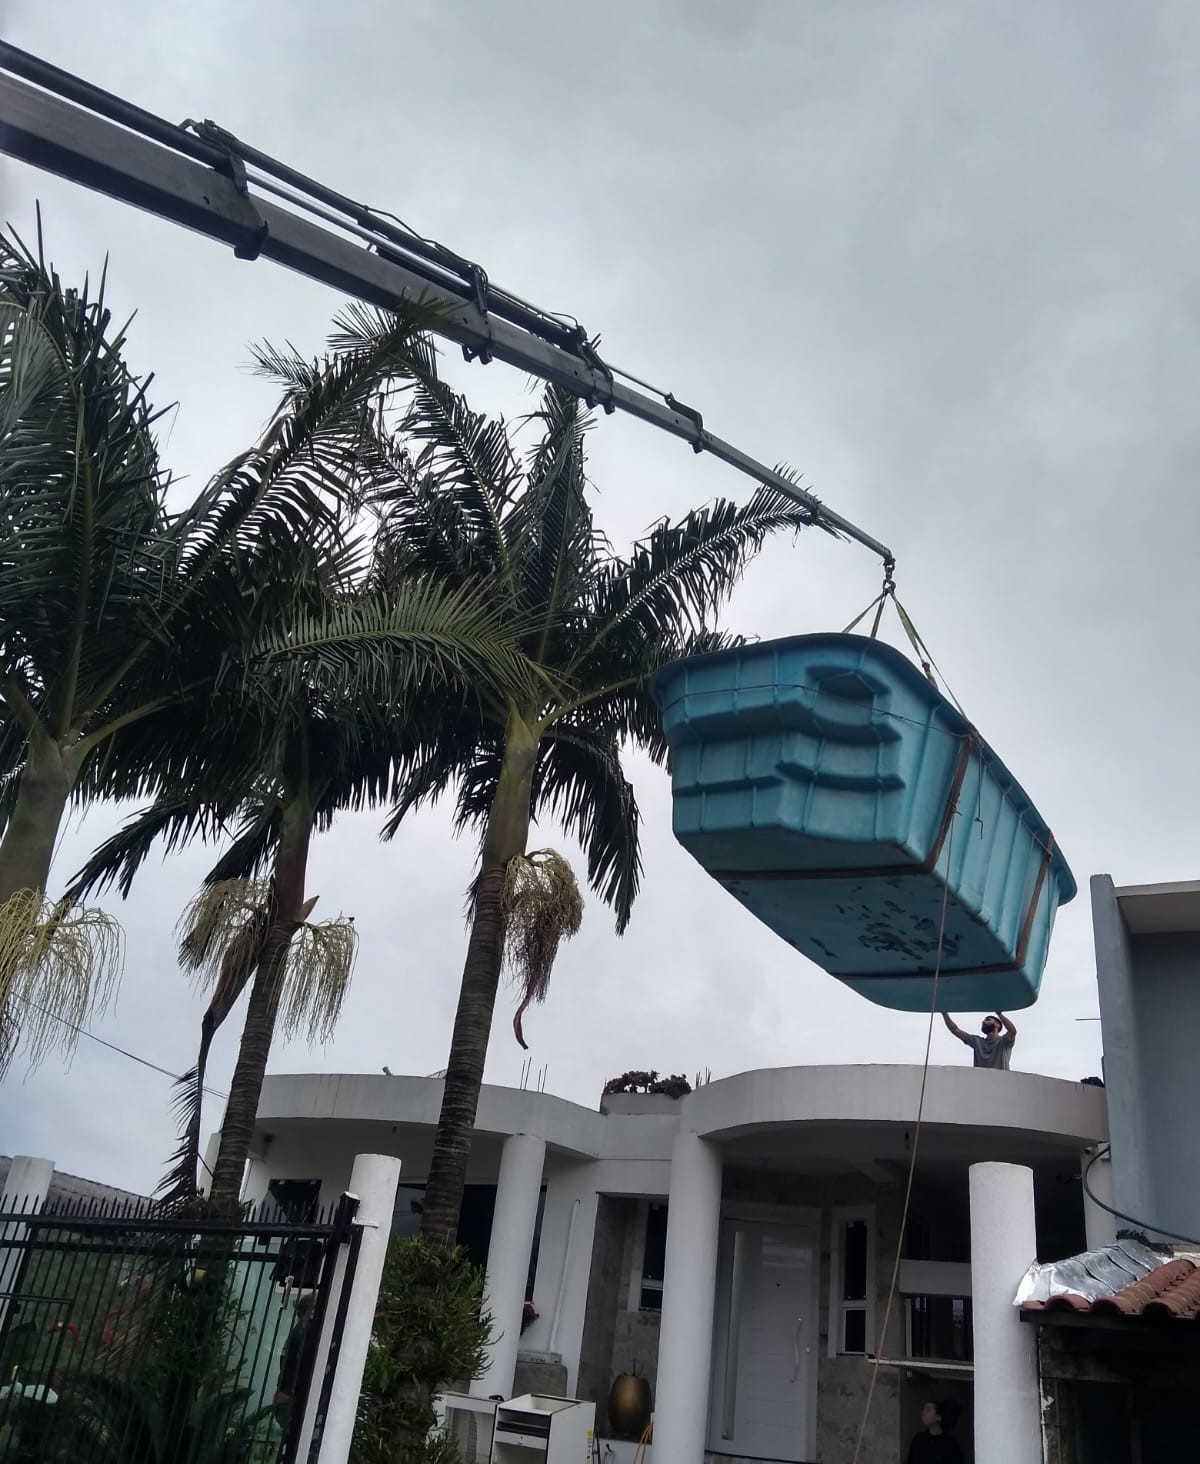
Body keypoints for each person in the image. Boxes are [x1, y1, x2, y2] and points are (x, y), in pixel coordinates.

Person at [942, 1010, 1017, 1069]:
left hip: (1002, 1083)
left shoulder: (1004, 1041)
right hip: (980, 1084)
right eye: (984, 1020)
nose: (983, 1022)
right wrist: (944, 1012)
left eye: (988, 1020)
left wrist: (999, 1013)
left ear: (997, 1024)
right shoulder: (977, 1041)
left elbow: (1012, 1031)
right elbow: (955, 1030)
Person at [907, 1398, 964, 1463]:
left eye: (928, 1410)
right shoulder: (918, 1439)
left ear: (938, 1417)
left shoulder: (951, 1444)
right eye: (923, 1410)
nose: (923, 1413)